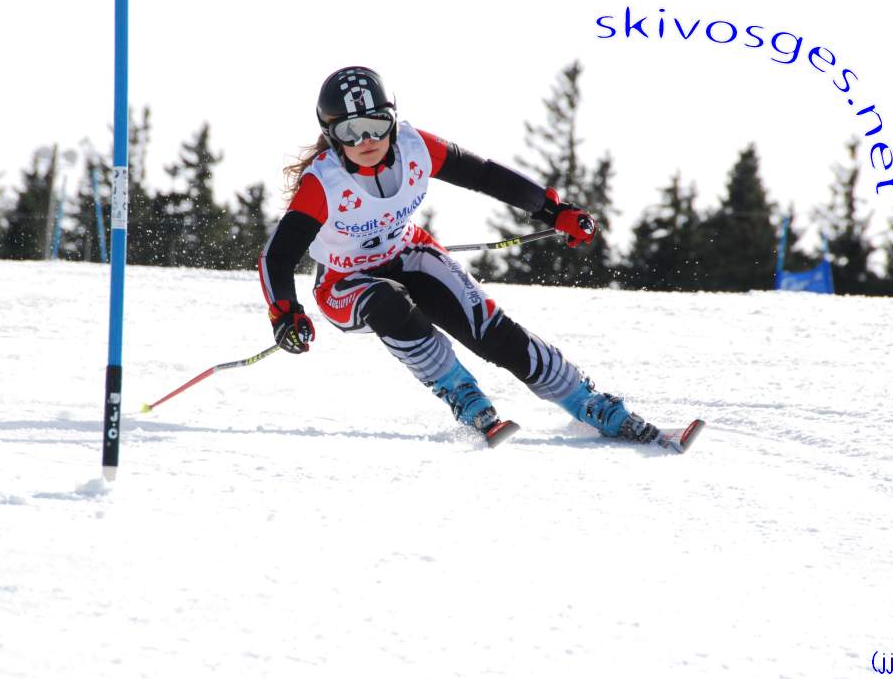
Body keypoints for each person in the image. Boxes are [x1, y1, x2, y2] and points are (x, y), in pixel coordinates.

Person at [258, 66, 659, 445]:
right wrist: (285, 313)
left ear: (393, 119)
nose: (366, 140)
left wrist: (552, 210)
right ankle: (462, 393)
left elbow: (484, 174)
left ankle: (587, 402)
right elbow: (277, 256)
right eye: (350, 130)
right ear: (330, 135)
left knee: (489, 330)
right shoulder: (323, 182)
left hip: (409, 252)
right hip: (343, 281)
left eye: (376, 123)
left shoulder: (415, 147)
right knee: (387, 302)